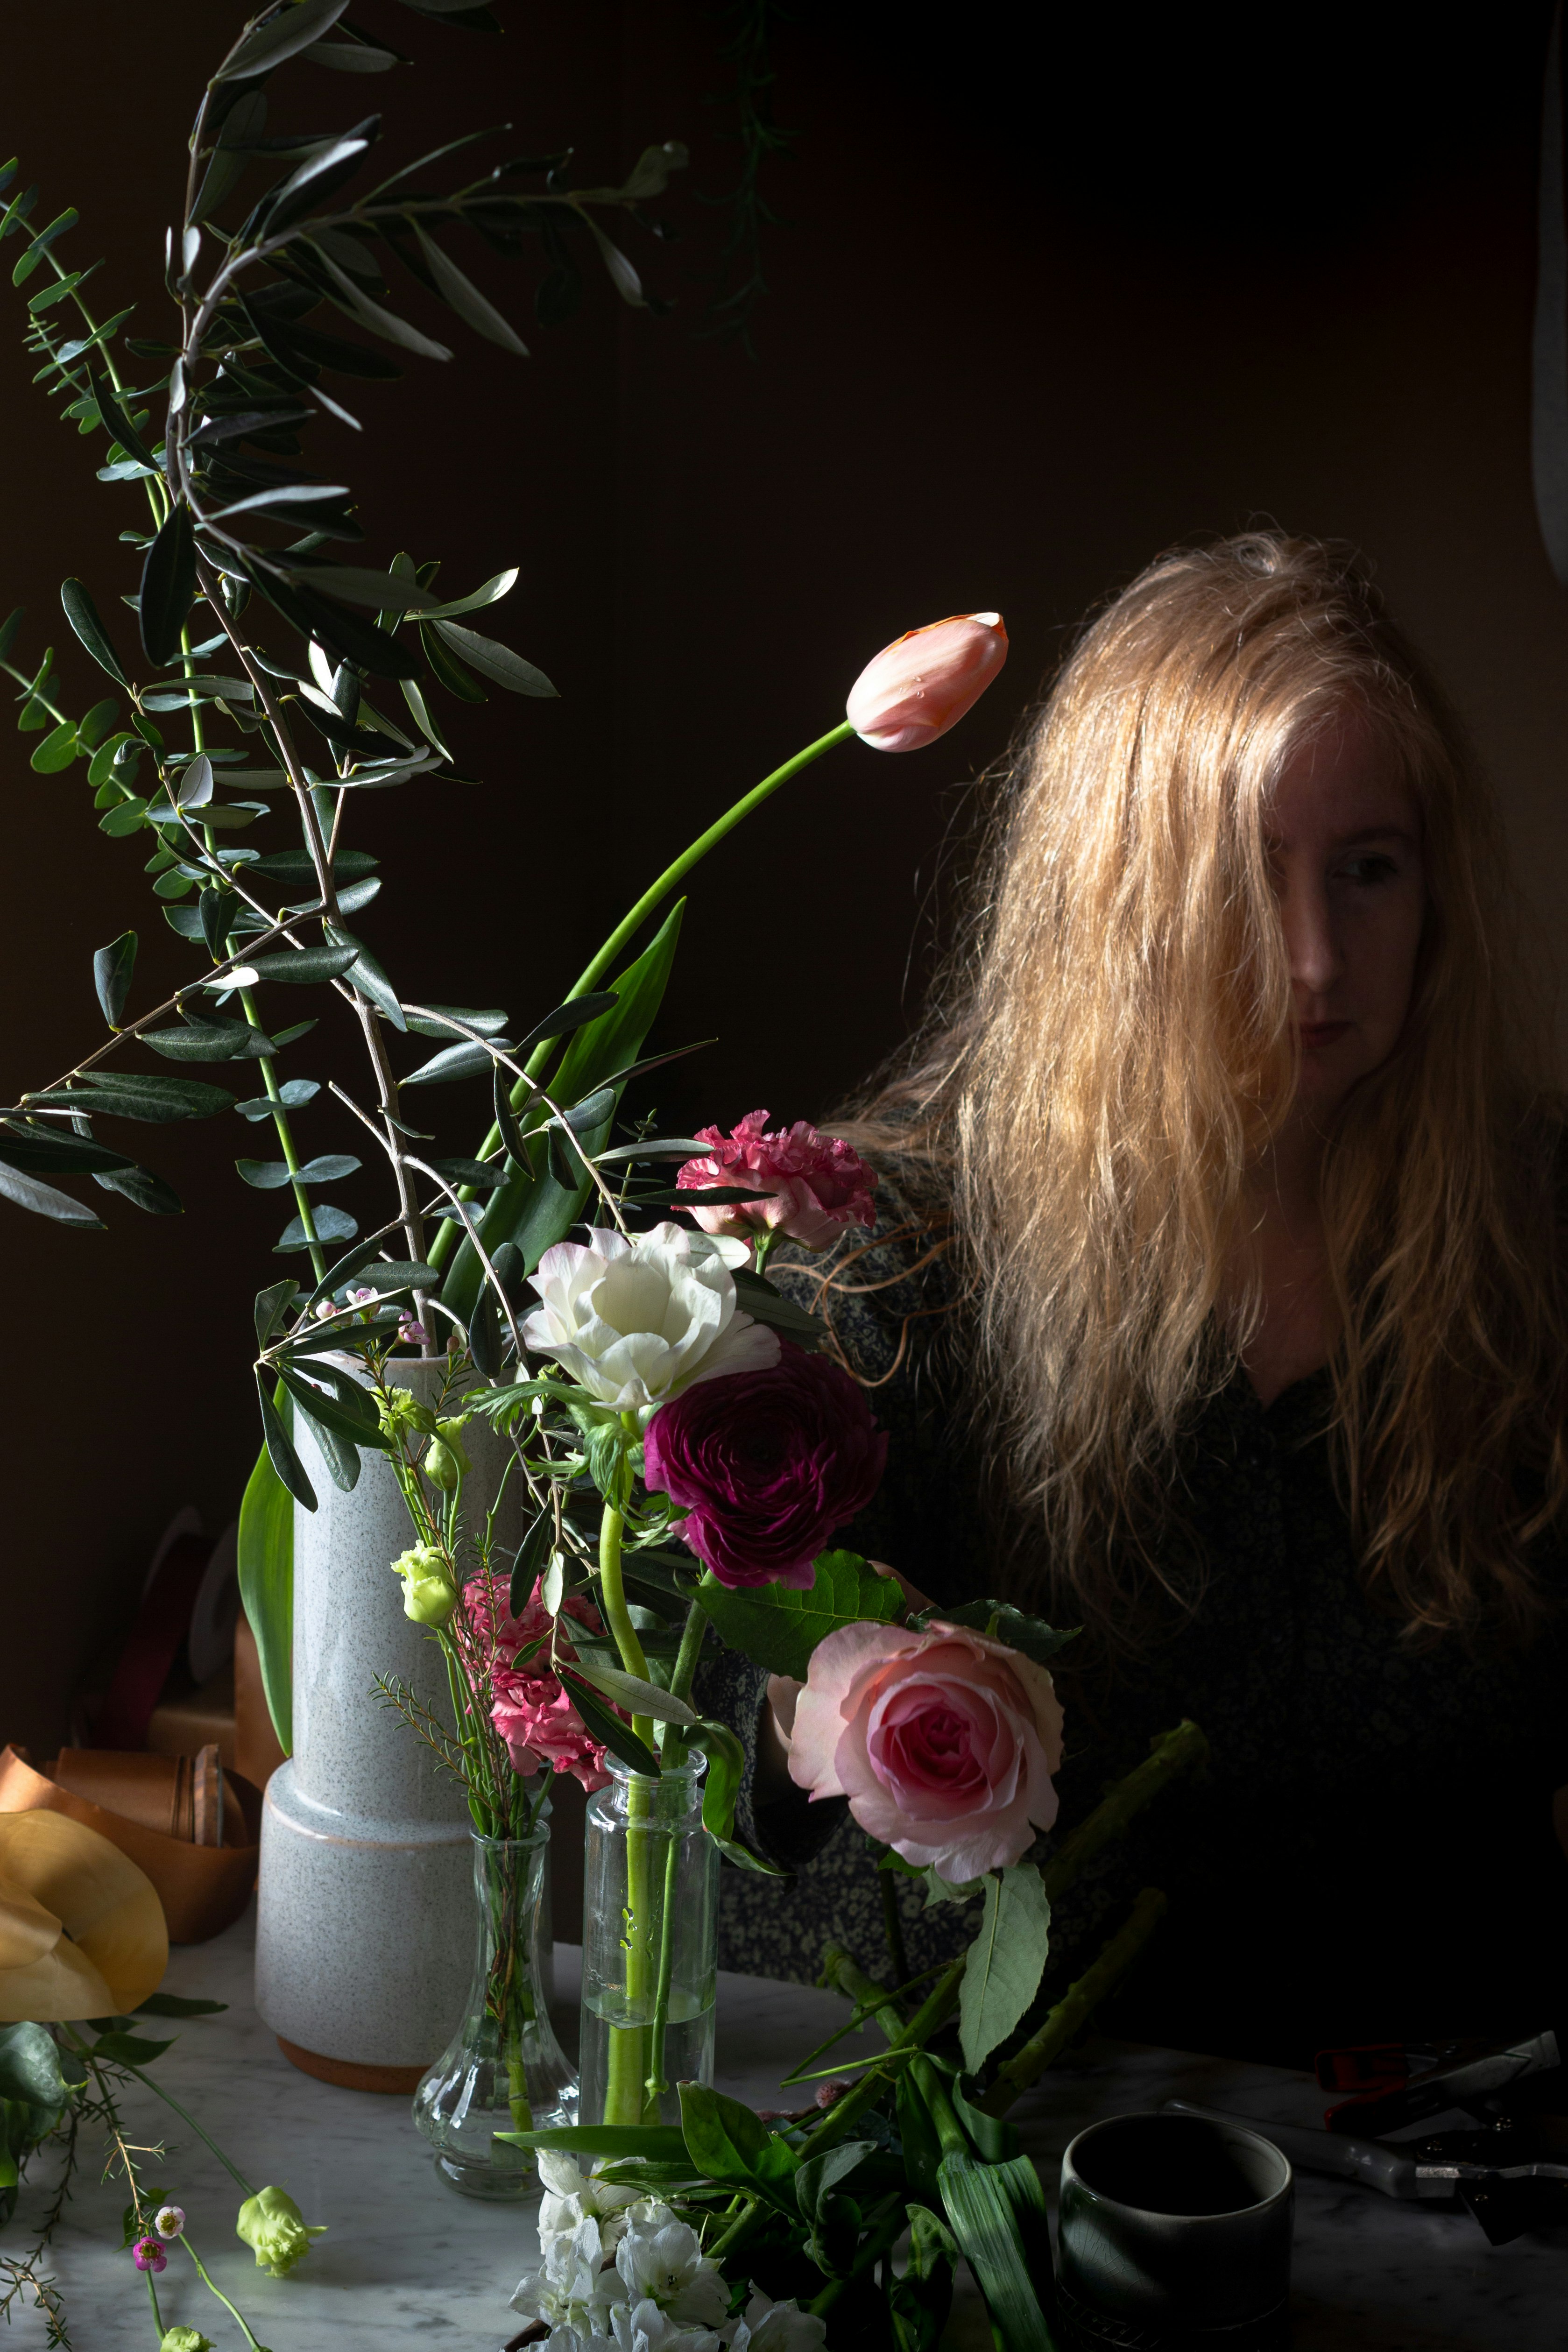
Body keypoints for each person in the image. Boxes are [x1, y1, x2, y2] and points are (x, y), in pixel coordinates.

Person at [695, 531, 1568, 2070]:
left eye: (1368, 869)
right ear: (1119, 899)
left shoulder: (1532, 1236)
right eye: (1245, 875)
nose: (1315, 957)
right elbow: (731, 1821)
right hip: (1008, 2135)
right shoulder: (902, 1259)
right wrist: (787, 1665)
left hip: (1451, 2133)